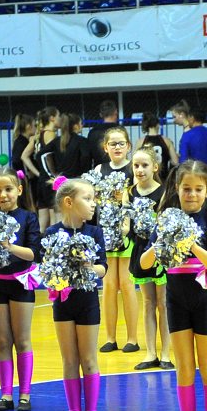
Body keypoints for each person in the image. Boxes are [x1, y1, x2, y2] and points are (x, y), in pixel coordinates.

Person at [140, 160, 207, 411]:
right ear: (176, 188)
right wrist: (163, 240)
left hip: (204, 301)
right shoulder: (166, 219)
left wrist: (191, 244)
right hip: (176, 302)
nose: (192, 194)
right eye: (186, 189)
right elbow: (143, 264)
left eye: (198, 189)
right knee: (184, 370)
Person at [44, 177, 106, 411]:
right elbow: (46, 268)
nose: (93, 204)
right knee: (69, 360)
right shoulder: (51, 234)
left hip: (87, 301)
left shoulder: (94, 232)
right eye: (87, 199)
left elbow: (103, 268)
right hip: (62, 303)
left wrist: (89, 267)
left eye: (94, 199)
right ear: (69, 202)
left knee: (88, 359)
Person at [0, 167, 41, 411]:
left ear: (19, 190)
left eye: (8, 189)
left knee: (22, 340)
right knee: (2, 341)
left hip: (20, 283)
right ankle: (6, 395)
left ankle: (24, 394)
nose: (3, 194)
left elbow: (34, 254)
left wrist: (9, 246)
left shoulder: (28, 217)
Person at [93, 127, 139, 355]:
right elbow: (92, 199)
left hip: (128, 233)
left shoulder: (134, 168)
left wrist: (125, 197)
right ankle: (110, 338)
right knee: (109, 286)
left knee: (127, 284)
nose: (117, 147)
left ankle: (132, 338)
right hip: (106, 234)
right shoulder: (98, 170)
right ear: (106, 147)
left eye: (121, 143)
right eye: (113, 144)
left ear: (128, 146)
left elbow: (141, 197)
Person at [127, 148, 172, 370]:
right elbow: (126, 225)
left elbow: (165, 224)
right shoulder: (129, 192)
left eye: (145, 165)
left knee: (163, 303)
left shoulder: (164, 192)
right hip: (139, 250)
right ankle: (150, 353)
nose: (140, 169)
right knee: (147, 302)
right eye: (136, 165)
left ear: (155, 167)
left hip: (159, 250)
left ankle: (165, 353)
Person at [32, 107, 60, 229]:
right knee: (54, 217)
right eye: (59, 116)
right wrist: (53, 174)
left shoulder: (38, 135)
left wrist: (38, 173)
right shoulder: (50, 134)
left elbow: (24, 156)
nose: (60, 119)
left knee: (42, 220)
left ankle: (36, 241)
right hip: (50, 179)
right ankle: (52, 241)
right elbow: (48, 156)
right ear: (52, 118)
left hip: (41, 180)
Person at [43, 113, 94, 179]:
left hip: (60, 180)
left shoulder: (57, 141)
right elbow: (85, 157)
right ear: (75, 126)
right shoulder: (82, 141)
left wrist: (53, 173)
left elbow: (42, 155)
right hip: (76, 179)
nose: (82, 125)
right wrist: (84, 173)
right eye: (81, 123)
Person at [137, 112, 178, 183]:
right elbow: (175, 162)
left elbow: (135, 161)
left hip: (147, 179)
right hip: (163, 179)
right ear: (157, 125)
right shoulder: (167, 141)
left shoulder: (140, 142)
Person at [86, 100, 120, 166]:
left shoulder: (93, 132)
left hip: (99, 168)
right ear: (115, 112)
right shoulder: (121, 130)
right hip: (118, 167)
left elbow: (89, 154)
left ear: (101, 114)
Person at [11, 112, 35, 178]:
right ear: (28, 127)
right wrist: (25, 175)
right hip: (25, 179)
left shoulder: (24, 140)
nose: (35, 128)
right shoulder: (21, 142)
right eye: (34, 125)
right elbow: (16, 161)